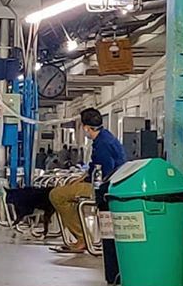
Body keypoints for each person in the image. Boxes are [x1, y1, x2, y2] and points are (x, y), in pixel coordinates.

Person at [49, 108, 127, 253]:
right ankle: (81, 236)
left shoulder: (102, 144)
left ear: (85, 127)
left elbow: (105, 172)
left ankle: (82, 238)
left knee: (57, 195)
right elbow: (96, 166)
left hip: (105, 188)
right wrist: (82, 177)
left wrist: (88, 182)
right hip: (113, 184)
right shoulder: (105, 137)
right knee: (69, 191)